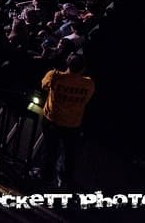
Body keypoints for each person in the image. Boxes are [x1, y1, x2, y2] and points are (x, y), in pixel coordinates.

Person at [34, 53, 95, 188]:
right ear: (82, 68)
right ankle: (65, 178)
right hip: (73, 123)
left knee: (50, 149)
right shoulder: (88, 84)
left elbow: (43, 85)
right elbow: (86, 100)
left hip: (52, 121)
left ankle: (46, 175)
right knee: (69, 152)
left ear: (67, 63)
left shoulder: (54, 75)